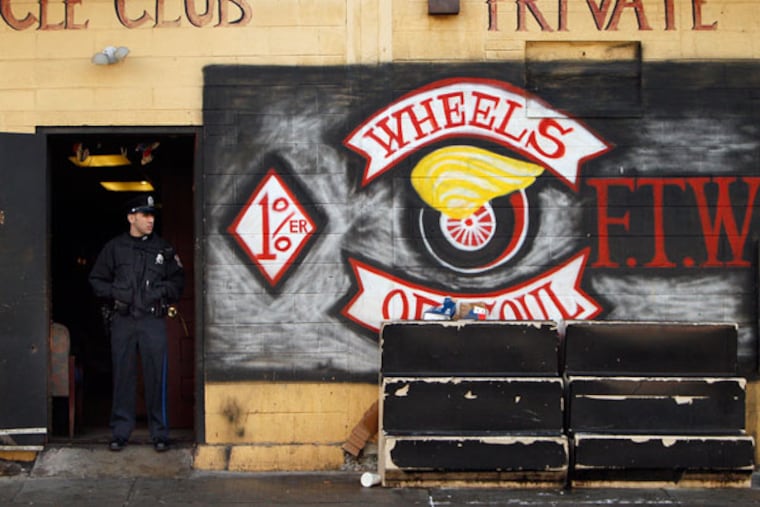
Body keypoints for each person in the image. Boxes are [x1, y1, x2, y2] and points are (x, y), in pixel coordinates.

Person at [89, 194, 184, 452]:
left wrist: (161, 290)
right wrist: (116, 292)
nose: (150, 220)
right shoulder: (114, 248)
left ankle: (160, 433)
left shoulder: (163, 249)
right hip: (123, 320)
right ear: (131, 217)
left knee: (156, 377)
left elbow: (178, 283)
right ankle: (120, 433)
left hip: (152, 320)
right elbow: (96, 280)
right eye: (145, 215)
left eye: (152, 215)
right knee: (123, 377)